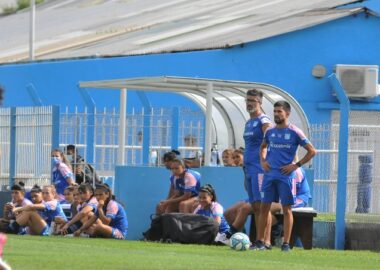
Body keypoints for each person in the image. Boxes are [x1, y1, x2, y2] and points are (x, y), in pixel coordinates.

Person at [254, 100, 317, 252]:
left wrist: (296, 166)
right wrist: (263, 161)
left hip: (285, 176)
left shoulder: (295, 131)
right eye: (275, 111)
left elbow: (312, 151)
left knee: (287, 209)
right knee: (264, 208)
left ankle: (286, 244)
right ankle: (260, 242)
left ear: (287, 113)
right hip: (270, 175)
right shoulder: (269, 131)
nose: (276, 114)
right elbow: (262, 147)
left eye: (279, 111)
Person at [243, 89, 272, 247]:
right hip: (248, 168)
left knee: (263, 206)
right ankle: (259, 239)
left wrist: (264, 161)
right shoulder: (248, 123)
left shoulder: (264, 120)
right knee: (255, 206)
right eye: (247, 100)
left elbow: (271, 140)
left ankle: (266, 240)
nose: (249, 103)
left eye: (253, 101)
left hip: (260, 169)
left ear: (260, 102)